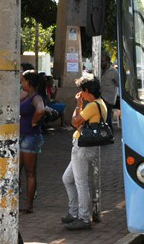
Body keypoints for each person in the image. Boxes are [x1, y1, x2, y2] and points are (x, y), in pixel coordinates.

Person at [61, 74, 107, 230]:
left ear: (87, 91)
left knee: (81, 184)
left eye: (82, 91)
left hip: (84, 147)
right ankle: (74, 213)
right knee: (67, 179)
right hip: (81, 146)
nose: (81, 93)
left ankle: (84, 217)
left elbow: (75, 121)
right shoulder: (101, 103)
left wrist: (78, 103)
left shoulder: (92, 105)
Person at [19, 70, 45, 214]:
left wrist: (34, 121)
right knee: (18, 171)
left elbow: (40, 110)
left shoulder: (35, 97)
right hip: (24, 137)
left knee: (29, 172)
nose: (21, 83)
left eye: (23, 80)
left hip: (30, 138)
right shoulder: (27, 95)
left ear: (29, 82)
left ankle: (29, 205)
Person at [100, 55, 119, 130]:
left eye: (102, 61)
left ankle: (108, 135)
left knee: (106, 119)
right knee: (106, 119)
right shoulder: (101, 71)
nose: (101, 63)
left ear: (107, 62)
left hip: (109, 99)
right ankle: (110, 135)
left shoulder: (113, 72)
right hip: (101, 98)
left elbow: (118, 84)